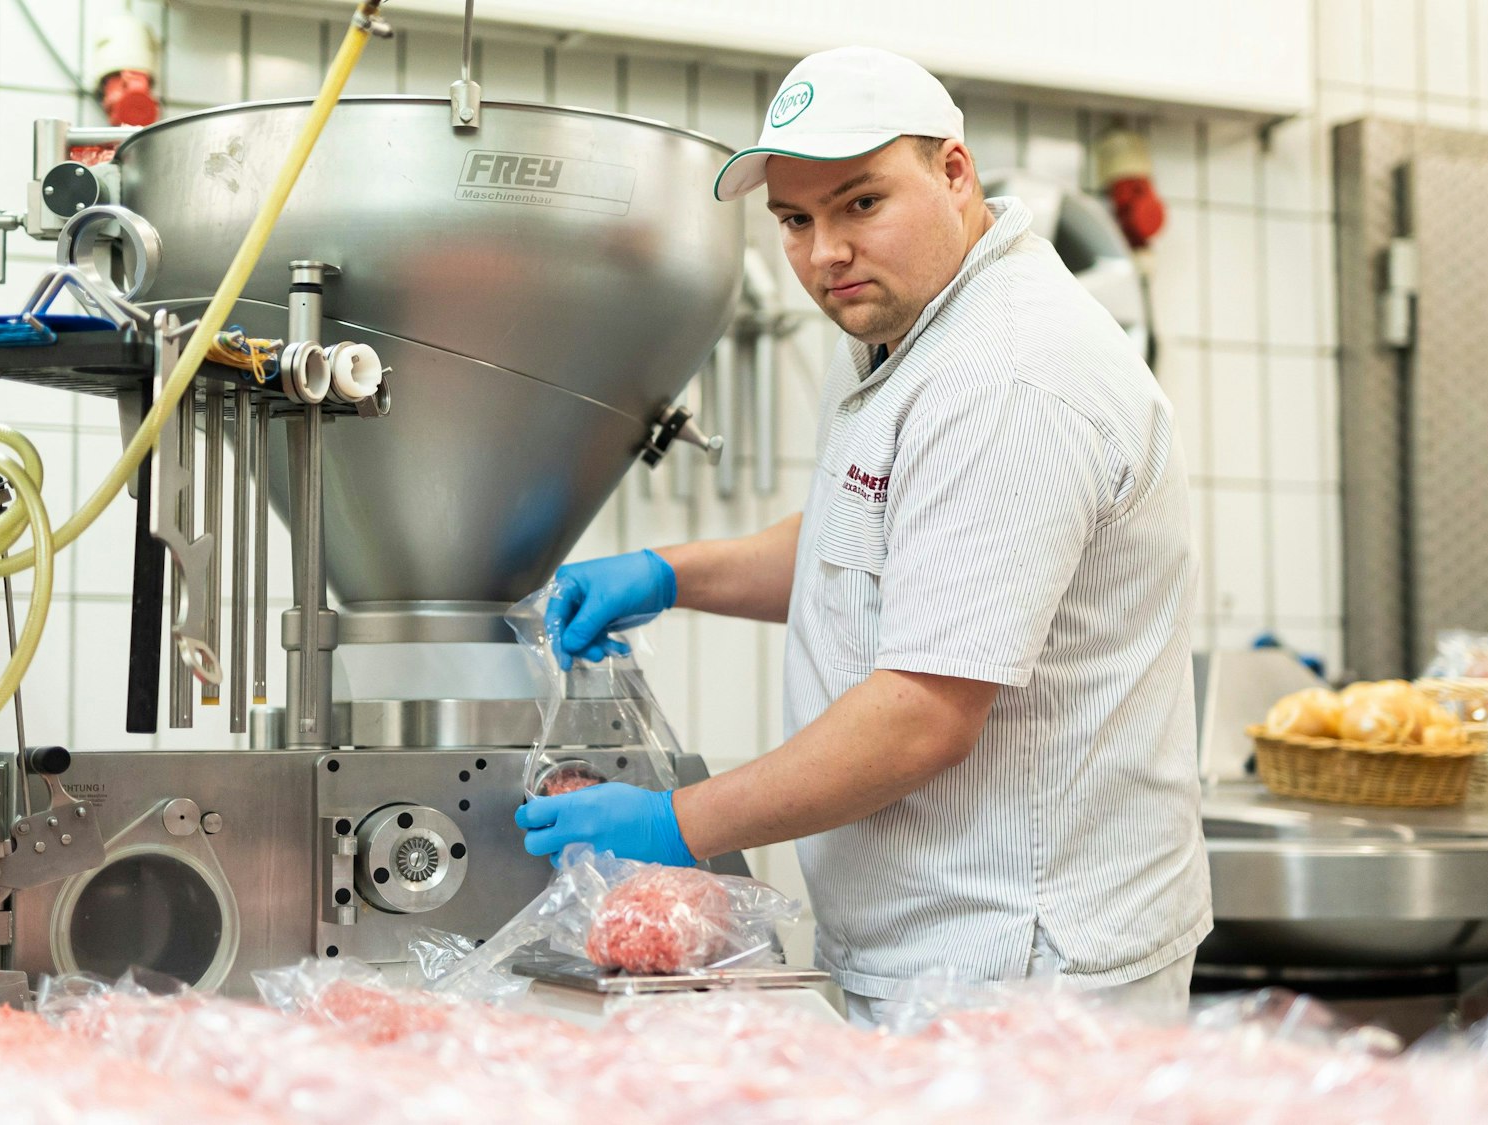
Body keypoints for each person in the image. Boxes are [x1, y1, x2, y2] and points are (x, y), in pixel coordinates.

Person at [515, 45, 1209, 1026]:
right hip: (927, 943)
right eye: (794, 221)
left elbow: (921, 713)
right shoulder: (900, 326)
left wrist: (676, 823)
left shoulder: (1005, 379)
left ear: (953, 172)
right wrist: (670, 573)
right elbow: (875, 540)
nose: (822, 253)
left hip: (1025, 970)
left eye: (859, 204)